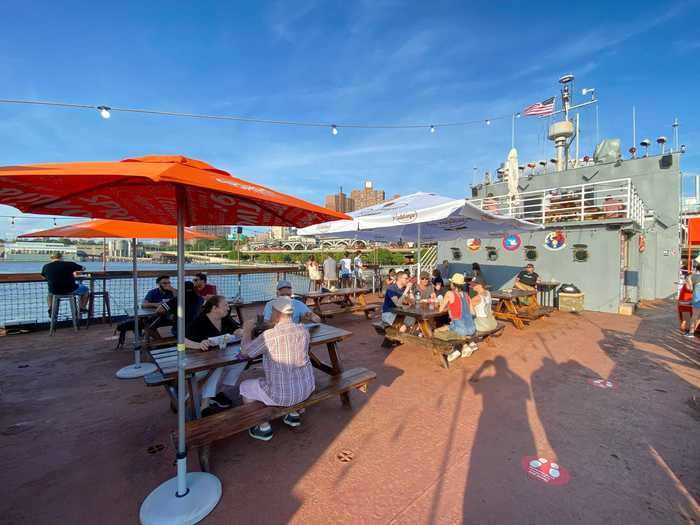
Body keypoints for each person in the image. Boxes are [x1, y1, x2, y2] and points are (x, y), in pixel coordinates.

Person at [240, 297, 315, 441]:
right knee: (282, 375)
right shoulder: (303, 330)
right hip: (306, 389)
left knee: (245, 387)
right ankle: (293, 414)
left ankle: (263, 427)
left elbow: (245, 353)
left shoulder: (269, 336)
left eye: (271, 312)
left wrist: (246, 330)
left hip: (281, 395)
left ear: (277, 314)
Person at [185, 295, 244, 415]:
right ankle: (205, 404)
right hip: (198, 362)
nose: (228, 308)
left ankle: (217, 392)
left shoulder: (225, 318)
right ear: (214, 308)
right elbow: (181, 342)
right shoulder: (200, 320)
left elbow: (236, 329)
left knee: (242, 360)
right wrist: (198, 345)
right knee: (217, 365)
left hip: (218, 356)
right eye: (225, 305)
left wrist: (241, 332)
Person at [435, 273, 477, 361]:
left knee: (436, 331)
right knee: (449, 326)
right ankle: (466, 345)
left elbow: (440, 309)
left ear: (453, 284)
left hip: (460, 328)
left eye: (451, 282)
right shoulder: (466, 294)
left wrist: (448, 306)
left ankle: (452, 351)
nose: (450, 284)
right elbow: (473, 312)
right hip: (472, 328)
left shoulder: (449, 293)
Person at [686, 264, 700, 338]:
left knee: (694, 316)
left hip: (697, 299)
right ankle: (692, 332)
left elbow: (689, 287)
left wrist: (691, 285)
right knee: (698, 318)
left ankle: (691, 333)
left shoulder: (694, 276)